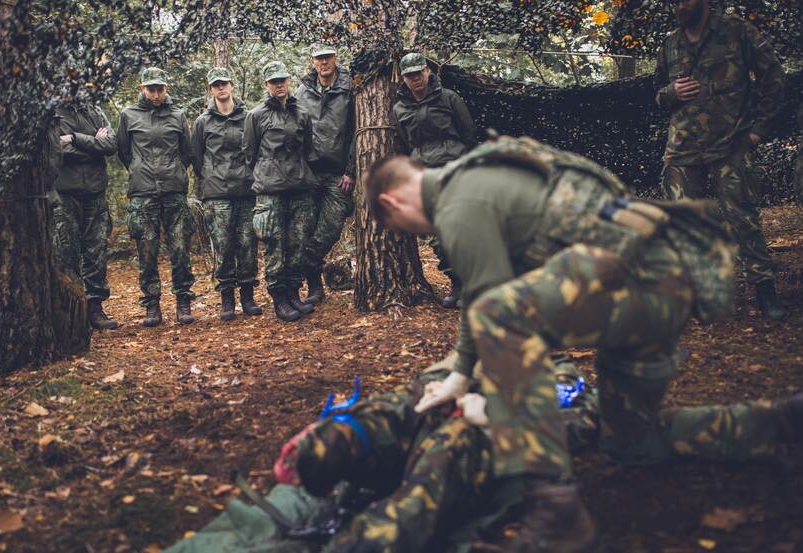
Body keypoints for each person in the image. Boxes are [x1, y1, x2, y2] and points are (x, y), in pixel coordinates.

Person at [365, 135, 803, 552]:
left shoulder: (460, 202)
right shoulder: (486, 173)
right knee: (632, 443)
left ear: (391, 202)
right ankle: (778, 423)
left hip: (638, 286)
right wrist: (462, 376)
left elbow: (489, 306)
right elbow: (509, 300)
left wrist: (491, 401)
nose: (417, 235)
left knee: (495, 315)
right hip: (656, 291)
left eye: (403, 228)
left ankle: (556, 514)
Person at [165, 355, 599, 553]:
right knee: (365, 426)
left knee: (449, 453)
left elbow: (576, 425)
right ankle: (329, 450)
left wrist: (494, 414)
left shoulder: (557, 374)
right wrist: (341, 430)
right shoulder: (478, 345)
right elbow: (410, 399)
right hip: (427, 422)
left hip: (481, 446)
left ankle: (362, 542)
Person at [654, 0, 786, 319]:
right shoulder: (670, 43)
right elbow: (657, 94)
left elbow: (774, 78)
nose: (678, 6)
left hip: (731, 143)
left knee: (742, 216)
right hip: (683, 148)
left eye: (684, 1)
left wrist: (758, 131)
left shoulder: (737, 32)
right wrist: (671, 92)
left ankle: (764, 290)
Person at [393, 52, 477, 309]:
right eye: (410, 75)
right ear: (403, 79)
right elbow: (406, 144)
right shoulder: (400, 108)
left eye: (419, 73)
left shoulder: (448, 98)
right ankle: (458, 283)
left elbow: (469, 133)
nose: (416, 79)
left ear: (428, 72)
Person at [118, 67, 195, 327]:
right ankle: (152, 305)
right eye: (151, 89)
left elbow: (188, 152)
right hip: (143, 193)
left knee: (180, 249)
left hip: (174, 190)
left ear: (166, 89)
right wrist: (141, 170)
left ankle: (183, 302)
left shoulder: (178, 115)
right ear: (142, 88)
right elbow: (123, 153)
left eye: (160, 88)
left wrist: (173, 171)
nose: (156, 93)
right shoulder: (129, 116)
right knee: (147, 251)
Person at [243, 61, 317, 322]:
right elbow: (249, 153)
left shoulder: (302, 113)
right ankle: (279, 298)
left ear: (288, 81)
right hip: (270, 188)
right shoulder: (256, 115)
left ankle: (294, 292)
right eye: (274, 81)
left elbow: (308, 147)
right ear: (267, 85)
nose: (279, 85)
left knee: (297, 242)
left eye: (282, 80)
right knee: (275, 243)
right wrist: (268, 172)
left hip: (299, 185)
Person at [191, 67, 262, 321]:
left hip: (245, 190)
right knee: (223, 245)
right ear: (211, 90)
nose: (221, 88)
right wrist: (211, 178)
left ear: (231, 86)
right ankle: (227, 299)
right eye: (215, 85)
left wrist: (250, 176)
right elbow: (197, 159)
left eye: (224, 83)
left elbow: (255, 150)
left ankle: (248, 297)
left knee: (247, 244)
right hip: (217, 193)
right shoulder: (202, 122)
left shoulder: (249, 117)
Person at [295, 43, 357, 305]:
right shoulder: (302, 91)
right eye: (319, 59)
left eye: (328, 57)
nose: (324, 63)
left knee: (327, 231)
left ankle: (305, 267)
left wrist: (351, 170)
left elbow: (357, 131)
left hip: (337, 174)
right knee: (305, 230)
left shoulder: (349, 87)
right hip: (308, 174)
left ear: (336, 58)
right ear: (312, 62)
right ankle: (314, 288)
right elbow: (295, 131)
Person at [53, 101, 119, 330]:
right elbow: (54, 148)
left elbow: (110, 144)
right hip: (64, 194)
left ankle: (94, 309)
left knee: (96, 252)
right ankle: (71, 312)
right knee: (66, 251)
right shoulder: (52, 112)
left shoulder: (95, 110)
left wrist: (73, 137)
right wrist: (93, 145)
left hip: (95, 192)